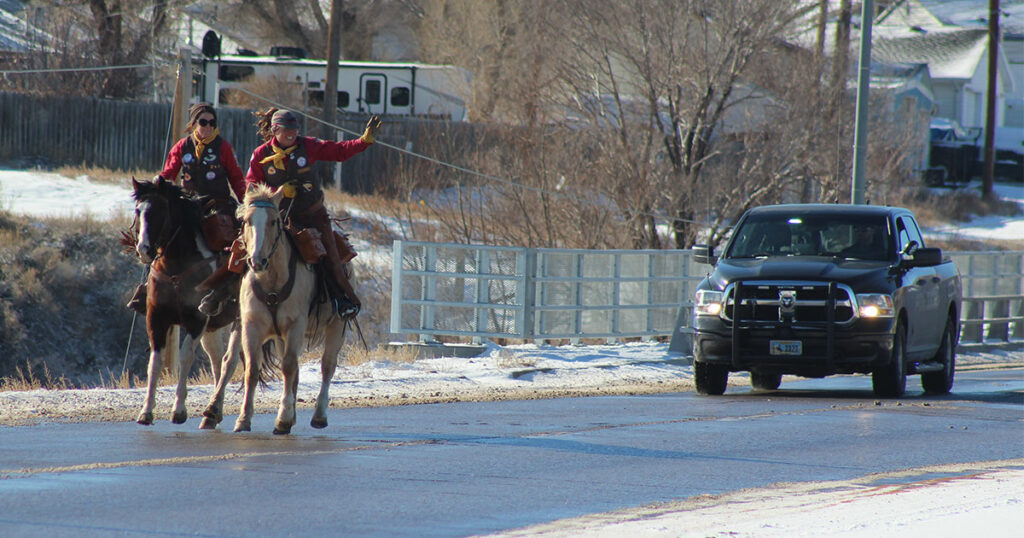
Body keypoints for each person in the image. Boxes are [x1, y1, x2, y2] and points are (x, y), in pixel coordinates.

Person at [242, 108, 380, 319]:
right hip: (276, 219)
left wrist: (363, 141)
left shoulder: (309, 146)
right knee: (241, 250)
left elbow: (338, 151)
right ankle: (230, 299)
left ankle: (342, 300)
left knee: (331, 257)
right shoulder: (261, 154)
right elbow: (251, 186)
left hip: (312, 217)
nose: (292, 134)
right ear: (275, 130)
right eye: (287, 131)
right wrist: (276, 193)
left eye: (294, 130)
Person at [126, 103, 246, 314]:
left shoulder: (223, 147)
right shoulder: (182, 147)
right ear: (194, 124)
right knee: (161, 234)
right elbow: (170, 172)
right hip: (189, 205)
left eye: (212, 122)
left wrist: (246, 202)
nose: (208, 126)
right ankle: (147, 287)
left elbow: (236, 177)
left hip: (217, 204)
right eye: (203, 122)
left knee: (224, 240)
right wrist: (157, 187)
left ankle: (226, 287)